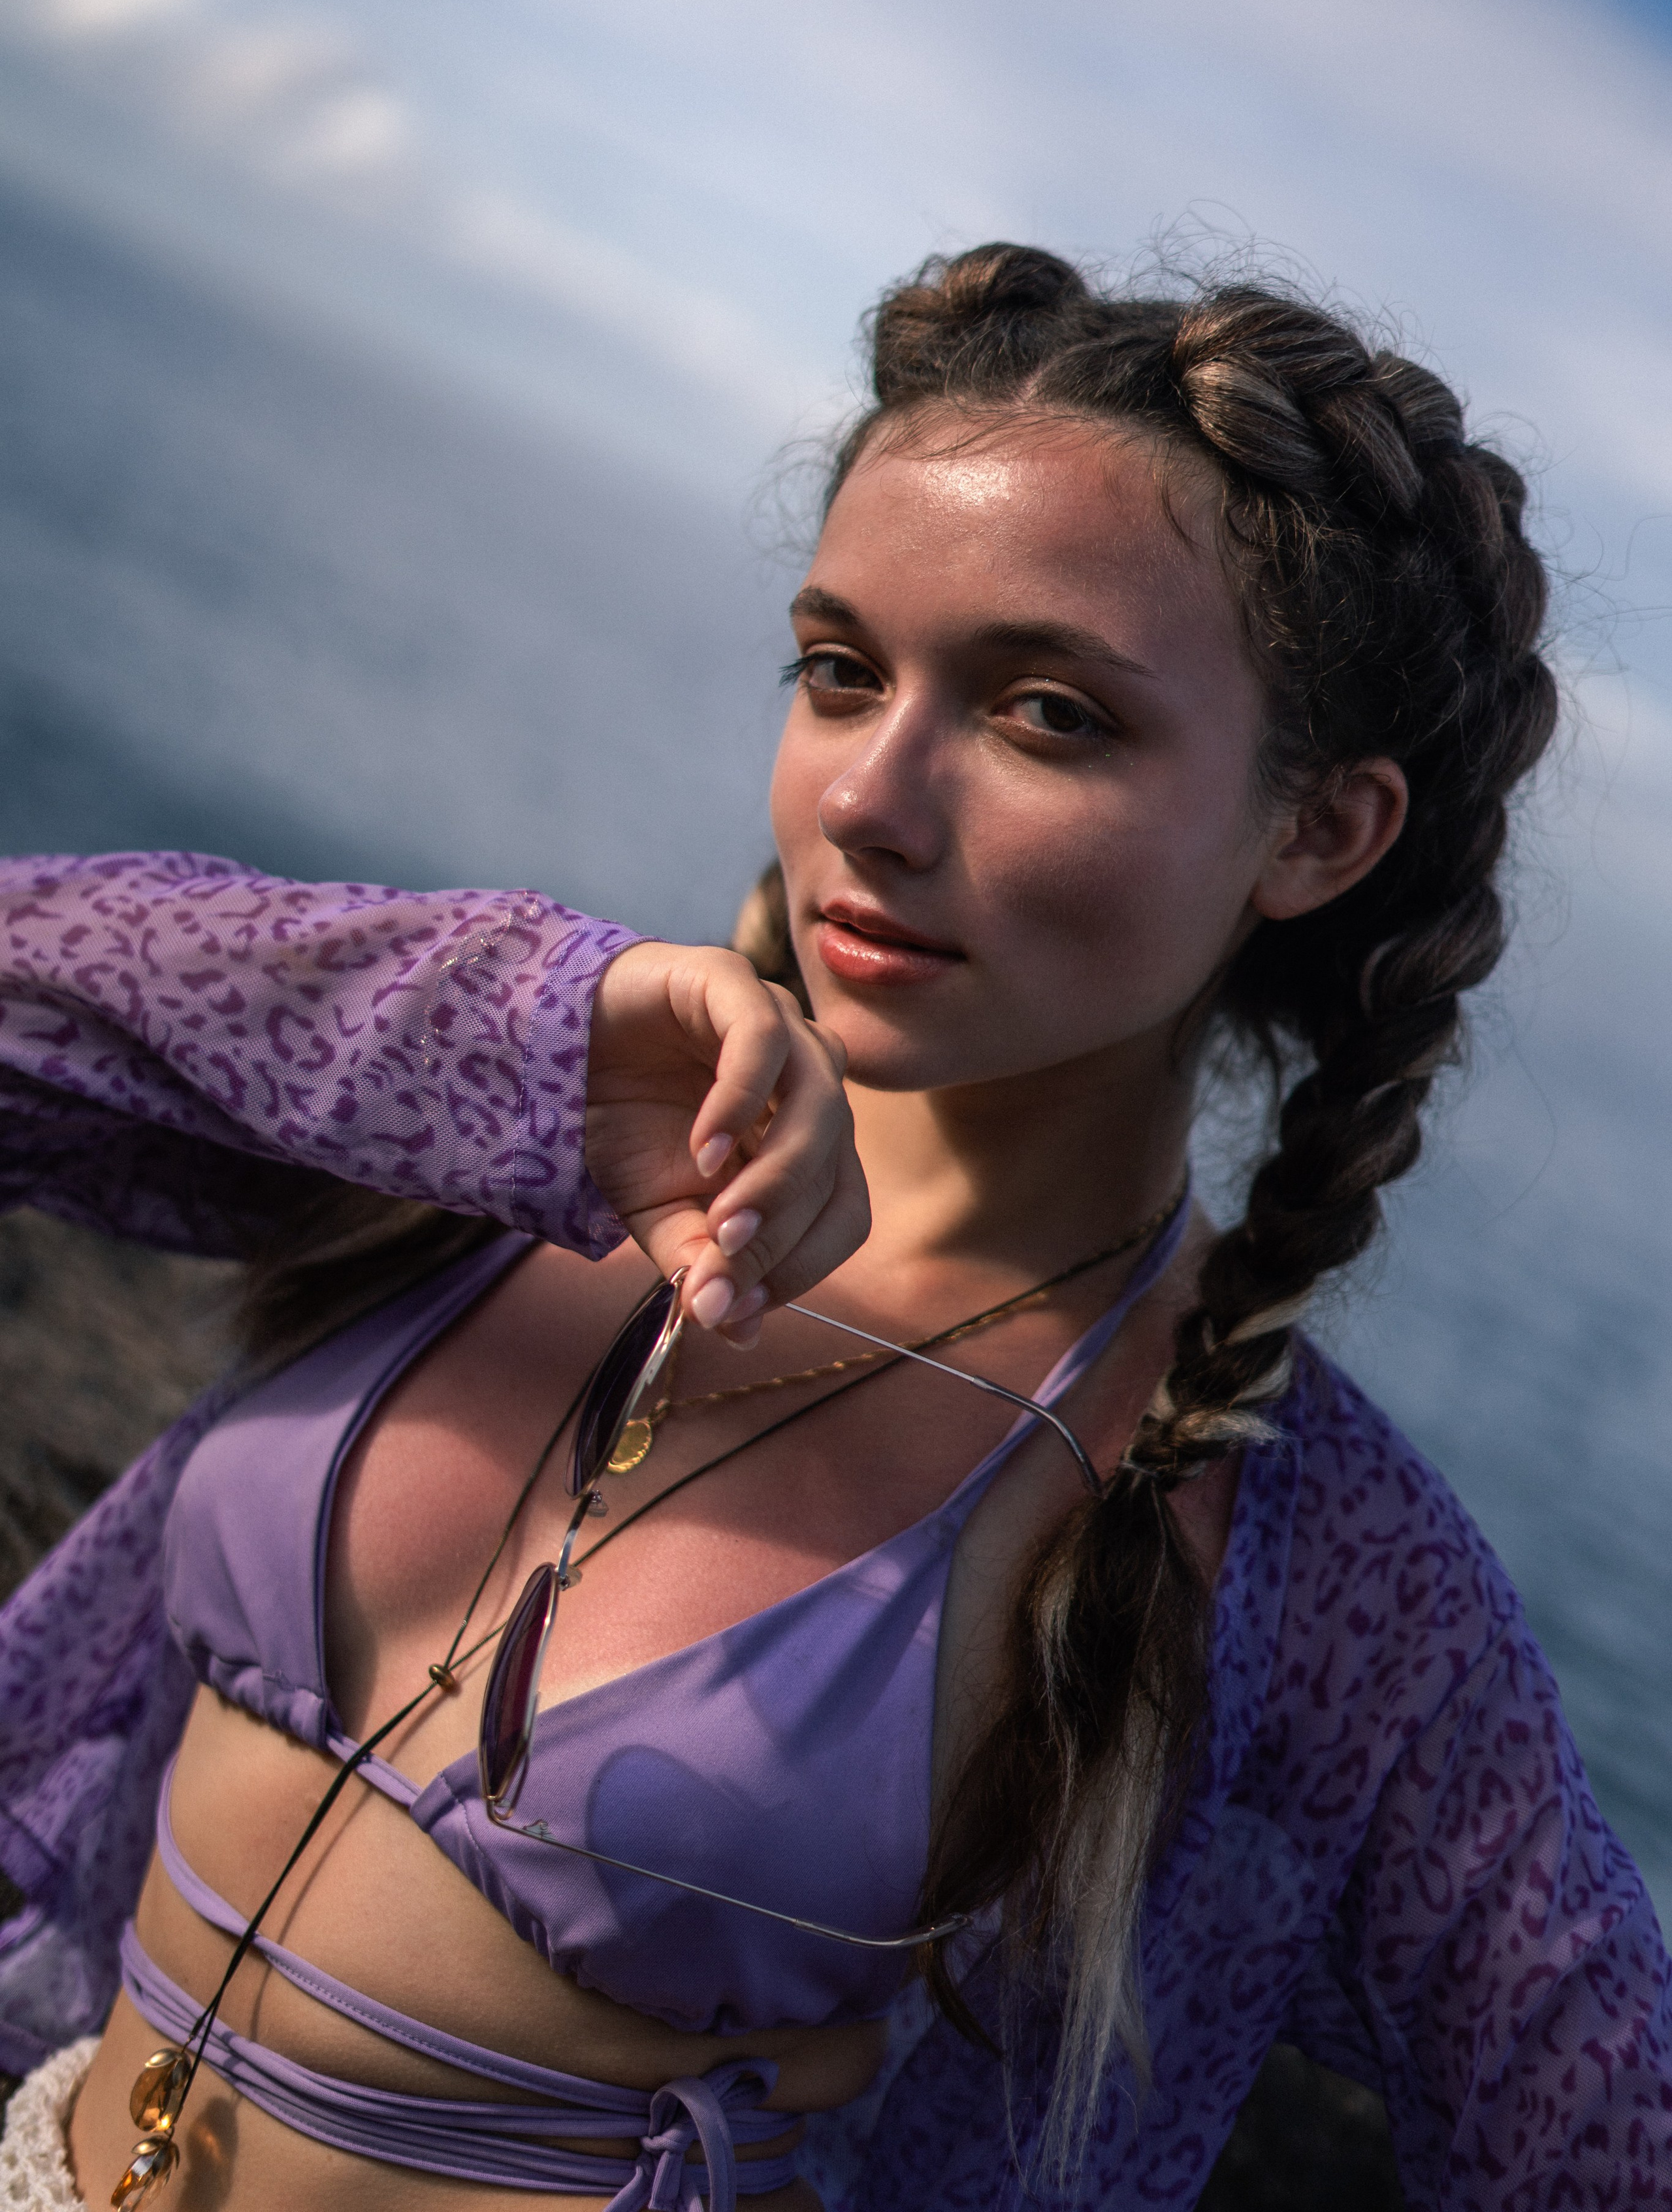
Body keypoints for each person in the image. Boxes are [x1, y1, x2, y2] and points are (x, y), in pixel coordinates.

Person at [0, 244, 1665, 2212]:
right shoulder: (513, 1125)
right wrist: (516, 1018)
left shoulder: (1307, 1572)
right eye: (840, 669)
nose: (870, 795)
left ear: (1316, 833)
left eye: (1050, 713)